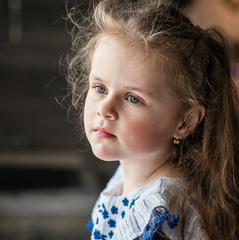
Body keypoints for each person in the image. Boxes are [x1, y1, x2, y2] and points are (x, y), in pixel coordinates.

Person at [64, 0, 239, 239]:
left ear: (185, 122)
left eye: (133, 99)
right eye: (100, 88)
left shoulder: (159, 217)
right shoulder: (130, 170)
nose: (105, 109)